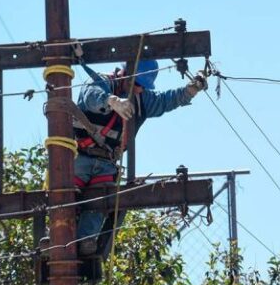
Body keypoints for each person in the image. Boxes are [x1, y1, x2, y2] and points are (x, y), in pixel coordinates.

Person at [72, 59, 207, 255]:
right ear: (124, 74)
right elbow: (90, 96)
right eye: (136, 84)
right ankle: (58, 240)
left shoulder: (142, 99)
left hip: (106, 162)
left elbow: (166, 100)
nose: (138, 90)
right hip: (79, 157)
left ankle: (85, 242)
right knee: (67, 197)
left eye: (143, 87)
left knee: (99, 202)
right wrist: (112, 101)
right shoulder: (102, 82)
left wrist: (191, 90)